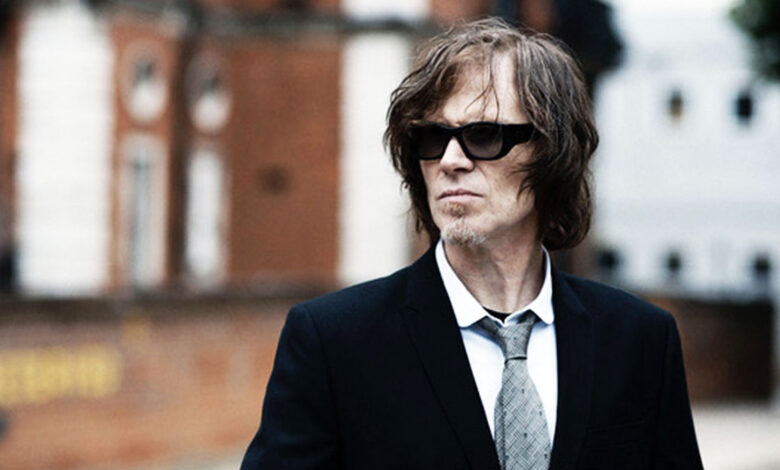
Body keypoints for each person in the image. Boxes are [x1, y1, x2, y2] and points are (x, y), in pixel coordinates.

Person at [241, 17, 703, 470]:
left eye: (483, 135)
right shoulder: (334, 341)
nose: (450, 160)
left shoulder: (638, 340)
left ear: (551, 152)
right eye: (432, 137)